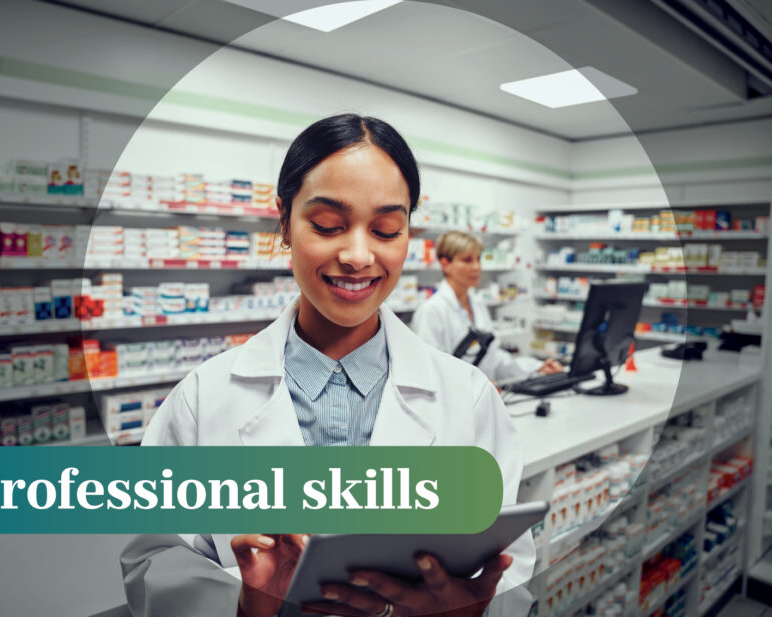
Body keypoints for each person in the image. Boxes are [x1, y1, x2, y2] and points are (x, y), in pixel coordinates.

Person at [120, 114, 535, 617]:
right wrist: (247, 606)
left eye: (385, 229)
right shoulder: (203, 398)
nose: (358, 256)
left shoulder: (468, 398)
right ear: (284, 222)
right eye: (327, 225)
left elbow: (512, 568)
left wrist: (475, 611)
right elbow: (154, 565)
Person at [410, 231, 562, 382]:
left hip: (483, 398)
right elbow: (432, 371)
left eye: (478, 259)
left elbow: (494, 359)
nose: (476, 267)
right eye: (467, 260)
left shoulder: (477, 304)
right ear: (445, 264)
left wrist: (535, 368)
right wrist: (474, 384)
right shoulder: (432, 311)